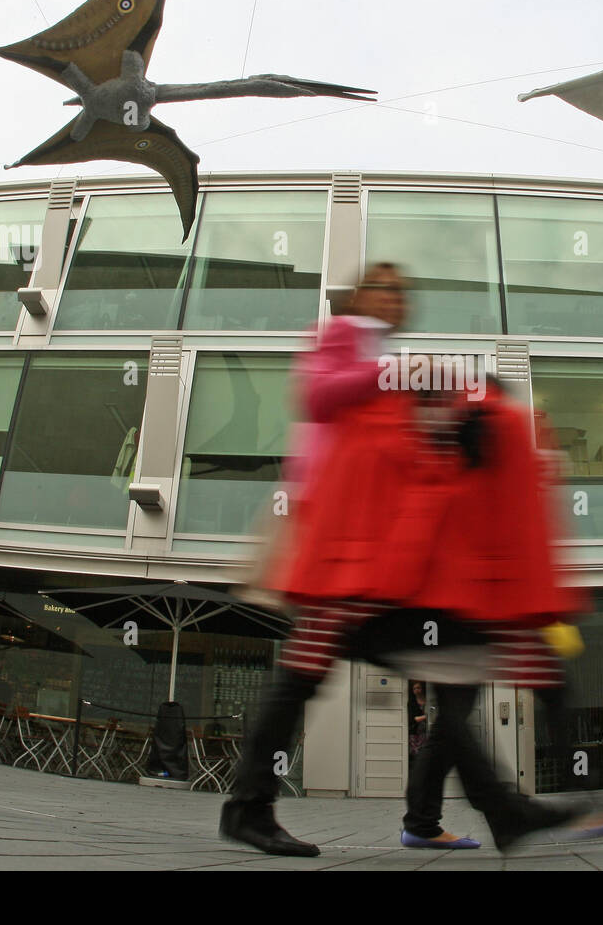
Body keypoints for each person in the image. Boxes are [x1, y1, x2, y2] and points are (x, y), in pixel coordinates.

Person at [220, 265, 573, 856]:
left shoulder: (388, 357)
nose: (394, 297)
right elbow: (319, 396)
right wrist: (413, 375)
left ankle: (475, 812)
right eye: (381, 286)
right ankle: (251, 806)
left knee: (423, 669)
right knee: (331, 668)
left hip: (362, 530)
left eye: (402, 290)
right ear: (360, 296)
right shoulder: (344, 336)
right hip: (329, 520)